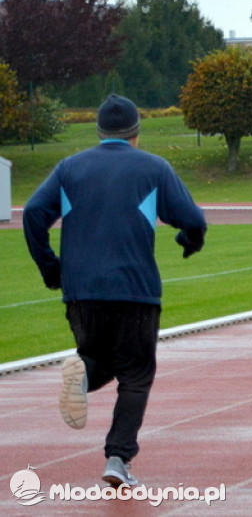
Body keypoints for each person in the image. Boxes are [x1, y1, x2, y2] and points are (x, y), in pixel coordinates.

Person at [22, 94, 207, 488]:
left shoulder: (69, 168)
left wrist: (50, 267)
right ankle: (118, 458)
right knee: (136, 373)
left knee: (99, 357)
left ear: (100, 131)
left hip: (81, 291)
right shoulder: (154, 168)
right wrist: (190, 240)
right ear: (136, 133)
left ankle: (83, 377)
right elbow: (192, 218)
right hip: (135, 289)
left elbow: (35, 213)